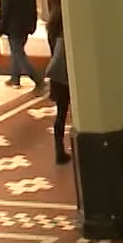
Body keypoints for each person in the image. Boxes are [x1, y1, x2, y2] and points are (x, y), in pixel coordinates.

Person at [0, 0, 43, 91]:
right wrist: (32, 25)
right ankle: (14, 78)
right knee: (16, 52)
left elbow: (4, 11)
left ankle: (37, 78)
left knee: (18, 53)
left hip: (13, 27)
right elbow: (33, 8)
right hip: (25, 26)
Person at [46, 13, 72, 164]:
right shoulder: (65, 35)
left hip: (58, 78)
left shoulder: (52, 31)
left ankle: (59, 149)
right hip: (68, 75)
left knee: (61, 114)